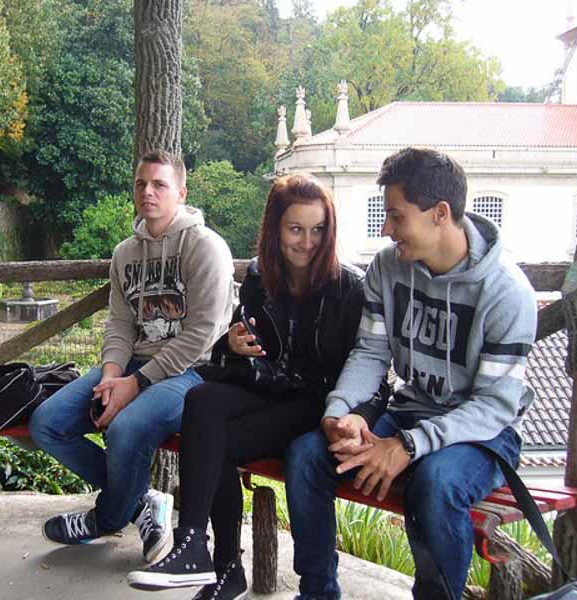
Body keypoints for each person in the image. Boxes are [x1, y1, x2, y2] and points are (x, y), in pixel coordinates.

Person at [286, 147, 537, 600]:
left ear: (440, 213)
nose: (386, 228)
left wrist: (407, 446)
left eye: (396, 216)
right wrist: (341, 412)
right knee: (308, 455)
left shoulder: (506, 292)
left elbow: (494, 406)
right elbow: (371, 352)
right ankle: (317, 592)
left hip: (483, 433)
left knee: (436, 483)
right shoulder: (388, 267)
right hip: (411, 413)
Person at [126, 174, 387, 599]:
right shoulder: (260, 276)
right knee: (201, 398)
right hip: (270, 390)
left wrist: (356, 417)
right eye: (296, 229)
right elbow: (239, 356)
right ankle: (194, 544)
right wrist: (230, 345)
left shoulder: (349, 288)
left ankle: (225, 567)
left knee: (214, 443)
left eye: (318, 229)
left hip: (319, 404)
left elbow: (372, 371)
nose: (308, 242)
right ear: (275, 229)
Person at [29, 150, 235, 565]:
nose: (148, 192)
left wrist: (135, 385)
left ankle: (106, 518)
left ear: (181, 192)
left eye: (159, 184)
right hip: (132, 366)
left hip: (194, 374)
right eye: (141, 184)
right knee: (47, 424)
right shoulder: (125, 253)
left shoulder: (206, 247)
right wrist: (111, 376)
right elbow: (120, 324)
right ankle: (141, 502)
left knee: (125, 429)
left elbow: (202, 334)